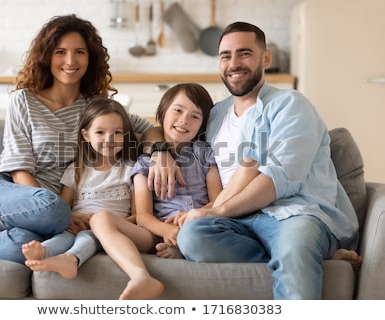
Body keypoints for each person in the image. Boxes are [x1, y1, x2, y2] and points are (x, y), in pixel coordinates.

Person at [147, 22, 362, 299]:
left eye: (244, 53)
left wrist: (217, 211)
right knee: (192, 237)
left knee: (294, 245)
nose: (234, 63)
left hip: (291, 213)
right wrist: (160, 150)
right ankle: (315, 255)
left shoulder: (291, 105)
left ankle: (301, 252)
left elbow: (279, 179)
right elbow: (163, 126)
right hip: (238, 222)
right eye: (226, 56)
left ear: (266, 58)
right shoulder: (214, 115)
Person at [0, 14, 152, 264]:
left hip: (46, 215)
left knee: (26, 247)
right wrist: (59, 211)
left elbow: (149, 129)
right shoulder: (23, 100)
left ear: (90, 58)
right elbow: (19, 169)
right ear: (47, 55)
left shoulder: (96, 108)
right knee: (54, 208)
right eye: (60, 52)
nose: (70, 61)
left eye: (79, 52)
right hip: (4, 193)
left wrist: (159, 153)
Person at [89, 83, 222, 300]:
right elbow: (143, 216)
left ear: (203, 125)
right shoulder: (143, 164)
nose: (184, 120)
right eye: (178, 110)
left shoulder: (204, 153)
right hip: (156, 232)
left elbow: (218, 202)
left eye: (195, 116)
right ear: (162, 113)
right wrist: (166, 231)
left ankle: (182, 247)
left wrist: (192, 218)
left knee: (203, 228)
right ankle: (141, 276)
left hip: (200, 222)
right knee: (100, 219)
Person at [22, 97, 138, 279]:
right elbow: (63, 207)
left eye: (117, 132)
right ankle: (44, 252)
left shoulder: (130, 169)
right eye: (100, 132)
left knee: (89, 237)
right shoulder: (76, 169)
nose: (109, 139)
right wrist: (75, 219)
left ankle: (71, 259)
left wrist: (109, 226)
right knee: (64, 237)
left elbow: (137, 216)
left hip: (111, 231)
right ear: (86, 135)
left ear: (125, 136)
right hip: (77, 226)